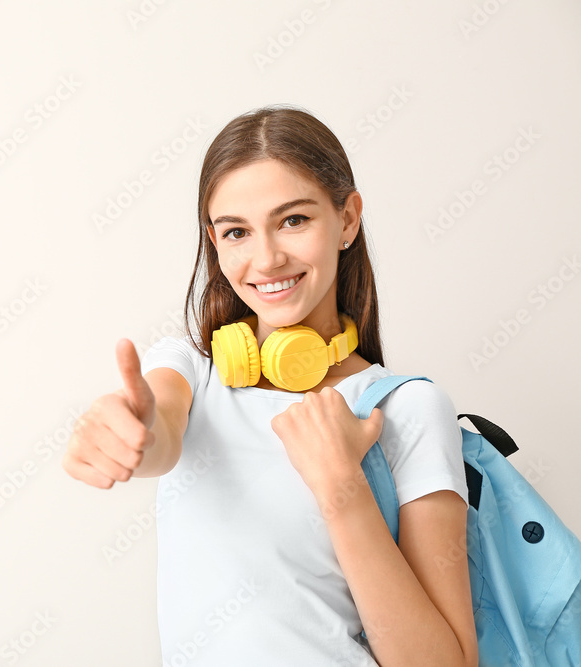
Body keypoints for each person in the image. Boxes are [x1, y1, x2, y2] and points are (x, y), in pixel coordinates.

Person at [62, 105, 480, 666]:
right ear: (216, 242)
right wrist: (128, 432)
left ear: (348, 220)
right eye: (237, 232)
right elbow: (160, 434)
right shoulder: (192, 369)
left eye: (293, 220)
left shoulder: (406, 407)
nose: (266, 258)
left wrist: (340, 486)